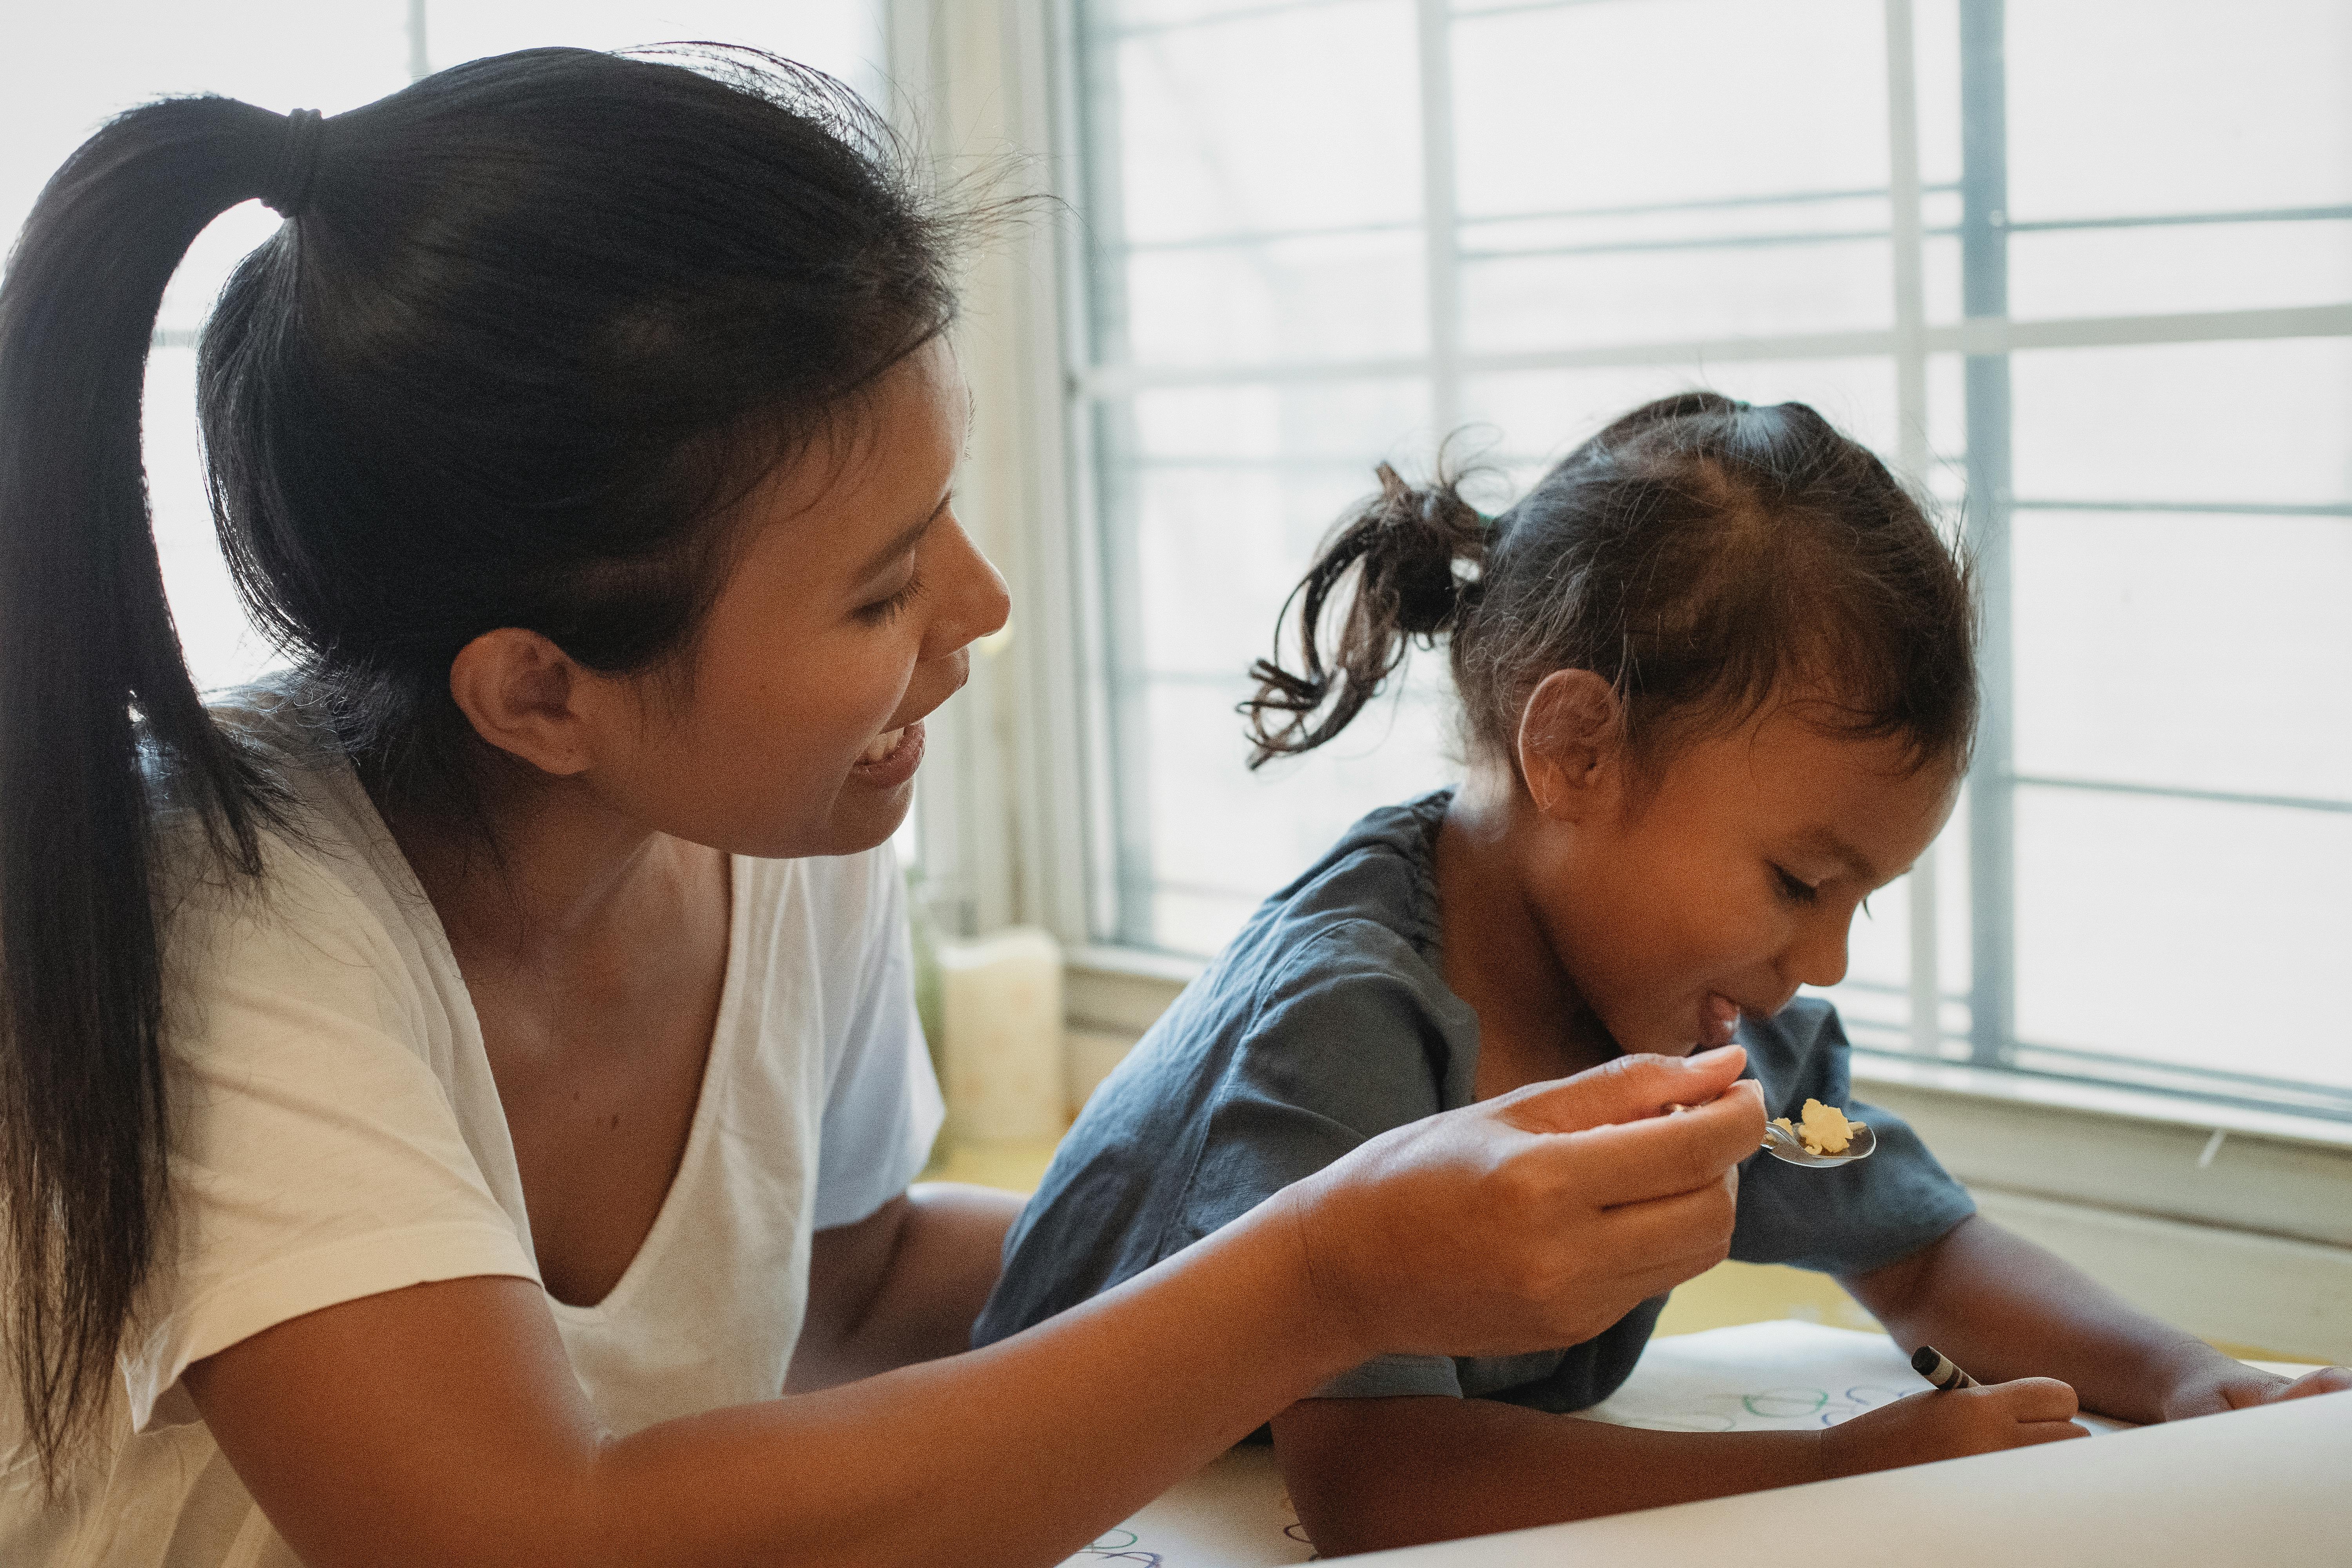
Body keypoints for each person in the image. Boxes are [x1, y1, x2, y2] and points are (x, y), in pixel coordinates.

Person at [0, 48, 1772, 1567]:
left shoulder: (784, 822)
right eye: (877, 590)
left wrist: (1324, 1204)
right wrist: (1320, 1277)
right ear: (540, 692)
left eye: (945, 513)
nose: (980, 607)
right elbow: (530, 1536)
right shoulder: (230, 908)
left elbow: (836, 1288)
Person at [975, 393, 2352, 1556]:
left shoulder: (1708, 1024)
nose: (1821, 962)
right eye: (1800, 884)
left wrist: (2189, 1378)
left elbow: (1921, 1249)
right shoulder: (1350, 1018)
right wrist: (1838, 1476)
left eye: (1863, 901)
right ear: (1577, 751)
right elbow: (1375, 1481)